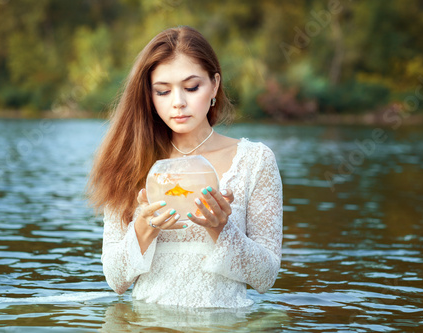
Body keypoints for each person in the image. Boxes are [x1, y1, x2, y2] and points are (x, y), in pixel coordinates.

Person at [88, 26, 282, 308]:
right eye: (163, 91)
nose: (178, 102)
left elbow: (266, 278)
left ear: (214, 84)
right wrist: (143, 228)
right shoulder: (128, 159)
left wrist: (221, 230)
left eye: (191, 87)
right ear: (149, 97)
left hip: (223, 326)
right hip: (147, 325)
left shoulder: (255, 161)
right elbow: (115, 280)